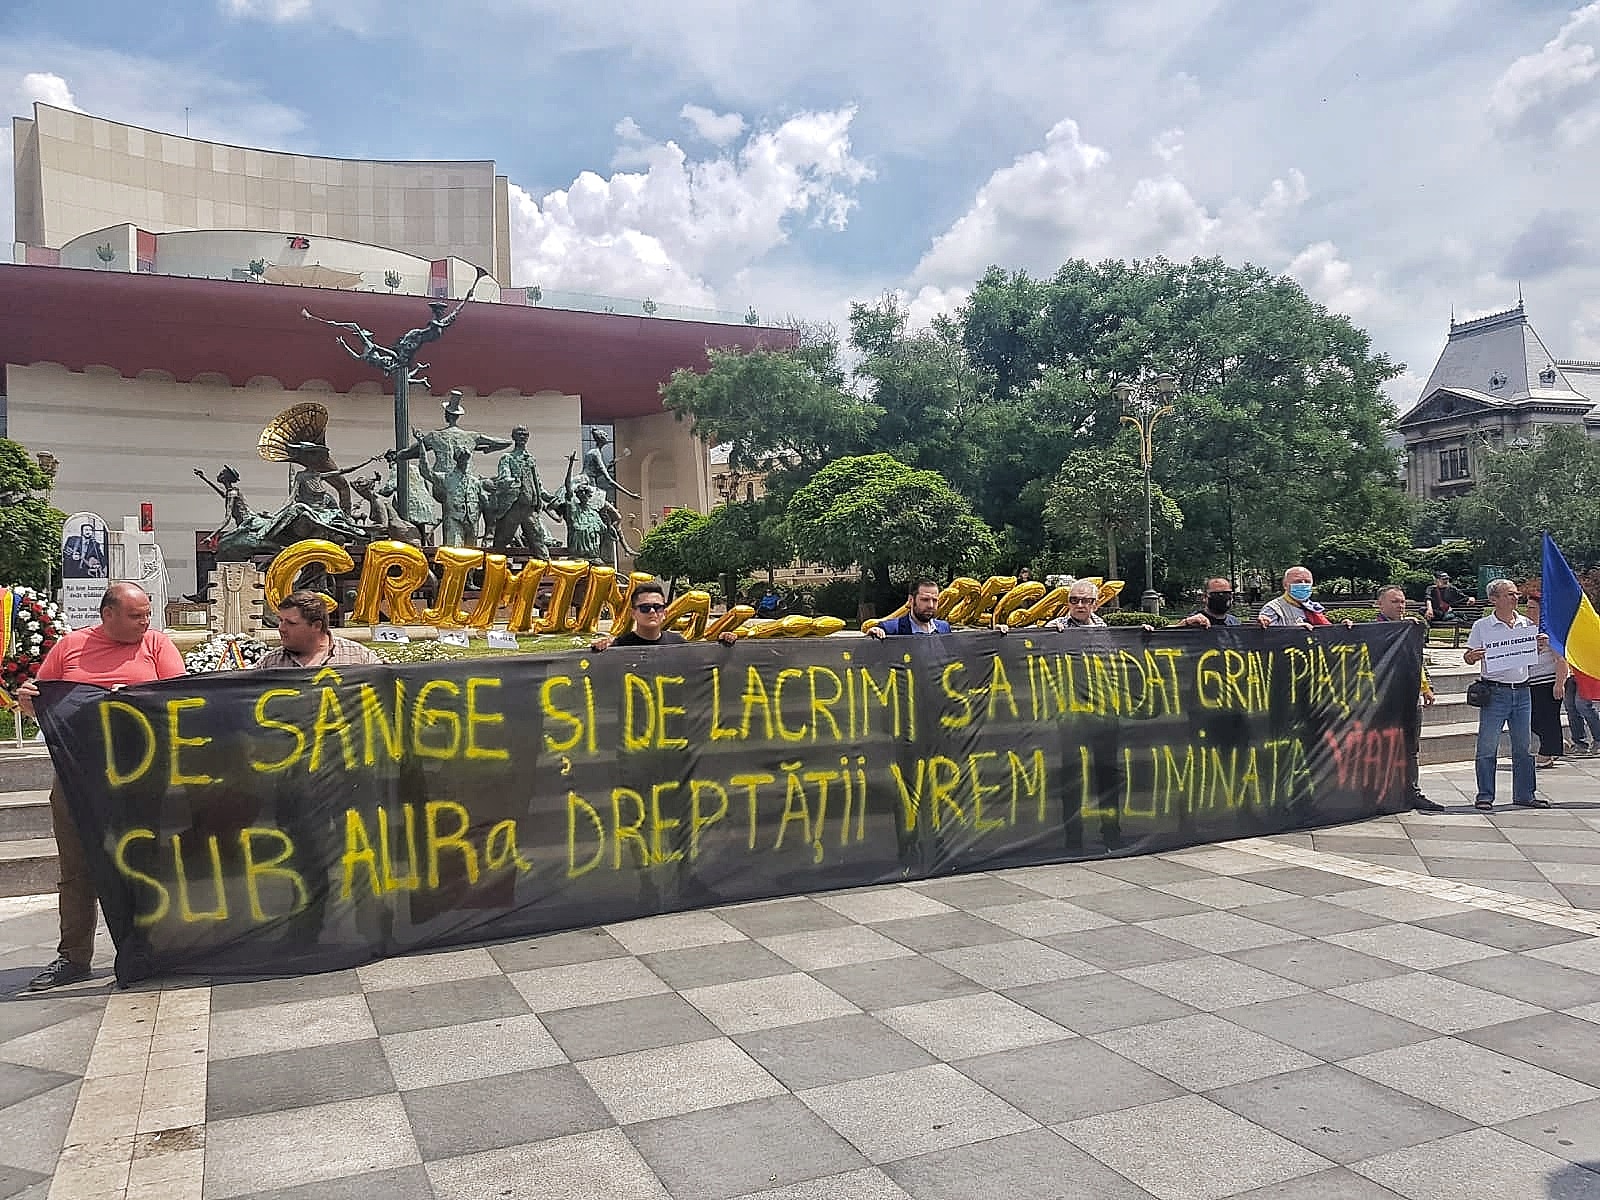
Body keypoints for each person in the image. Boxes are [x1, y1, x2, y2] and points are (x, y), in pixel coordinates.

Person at [16, 582, 186, 990]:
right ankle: (73, 957)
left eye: (147, 613)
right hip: (79, 774)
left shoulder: (157, 646)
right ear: (107, 613)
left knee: (145, 862)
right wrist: (29, 700)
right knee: (76, 869)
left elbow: (180, 700)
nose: (145, 620)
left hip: (141, 775)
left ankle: (152, 948)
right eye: (136, 614)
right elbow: (43, 698)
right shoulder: (70, 647)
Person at [1463, 578, 1550, 811]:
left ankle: (1525, 794)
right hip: (1495, 691)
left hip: (1522, 691)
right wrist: (1474, 656)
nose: (1515, 597)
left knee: (1523, 746)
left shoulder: (1525, 623)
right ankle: (1485, 795)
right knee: (1487, 746)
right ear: (1494, 599)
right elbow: (1468, 656)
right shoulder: (1483, 626)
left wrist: (1539, 645)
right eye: (1509, 594)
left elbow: (1530, 654)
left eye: (1515, 594)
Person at [1373, 584, 1446, 812]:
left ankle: (1411, 791)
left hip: (1409, 697)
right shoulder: (1372, 630)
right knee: (1382, 748)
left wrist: (1427, 687)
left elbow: (1418, 661)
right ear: (1380, 604)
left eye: (1403, 601)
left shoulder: (1410, 628)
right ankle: (1380, 793)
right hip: (1384, 699)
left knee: (1410, 748)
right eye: (1394, 601)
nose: (1400, 605)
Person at [590, 581, 737, 651]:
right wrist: (598, 649)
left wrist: (724, 642)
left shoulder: (678, 643)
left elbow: (706, 665)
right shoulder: (619, 646)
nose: (652, 612)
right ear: (633, 613)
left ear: (665, 613)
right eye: (645, 608)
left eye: (657, 607)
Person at [258, 590, 380, 669]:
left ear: (316, 626)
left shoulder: (360, 658)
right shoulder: (269, 664)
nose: (281, 628)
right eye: (280, 620)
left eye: (291, 623)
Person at [1520, 581, 1570, 768]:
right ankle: (1555, 743)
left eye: (1533, 608)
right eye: (1527, 608)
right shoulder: (1525, 629)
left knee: (1547, 716)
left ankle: (1547, 752)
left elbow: (1561, 659)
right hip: (1530, 680)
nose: (1529, 611)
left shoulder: (1551, 632)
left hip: (1547, 680)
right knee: (1532, 719)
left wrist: (1559, 683)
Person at [1257, 567, 1351, 628]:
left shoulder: (1314, 608)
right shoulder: (1273, 608)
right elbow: (1268, 640)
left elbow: (1327, 634)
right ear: (1285, 585)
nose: (1303, 584)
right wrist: (1296, 632)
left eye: (1307, 581)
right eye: (1297, 581)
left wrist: (1341, 629)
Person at [868, 580, 952, 637]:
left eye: (935, 600)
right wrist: (871, 637)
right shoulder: (890, 629)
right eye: (925, 600)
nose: (930, 605)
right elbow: (862, 657)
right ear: (911, 600)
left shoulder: (944, 628)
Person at [1042, 579, 1107, 629]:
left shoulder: (1102, 626)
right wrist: (1049, 634)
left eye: (1086, 601)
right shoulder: (1056, 626)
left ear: (1095, 605)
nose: (1079, 605)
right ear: (1068, 603)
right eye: (1074, 600)